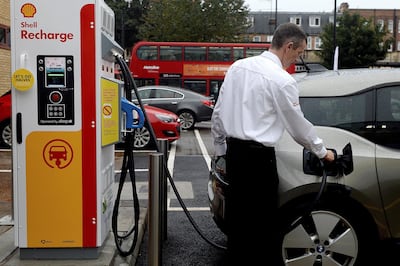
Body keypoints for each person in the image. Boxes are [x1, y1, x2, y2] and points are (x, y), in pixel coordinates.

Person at [211, 22, 336, 265]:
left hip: (235, 155)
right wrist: (323, 152)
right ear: (289, 46)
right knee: (262, 226)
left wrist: (221, 152)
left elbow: (218, 114)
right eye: (299, 53)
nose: (297, 60)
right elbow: (298, 127)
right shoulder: (282, 80)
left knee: (237, 224)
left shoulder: (238, 67)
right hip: (260, 161)